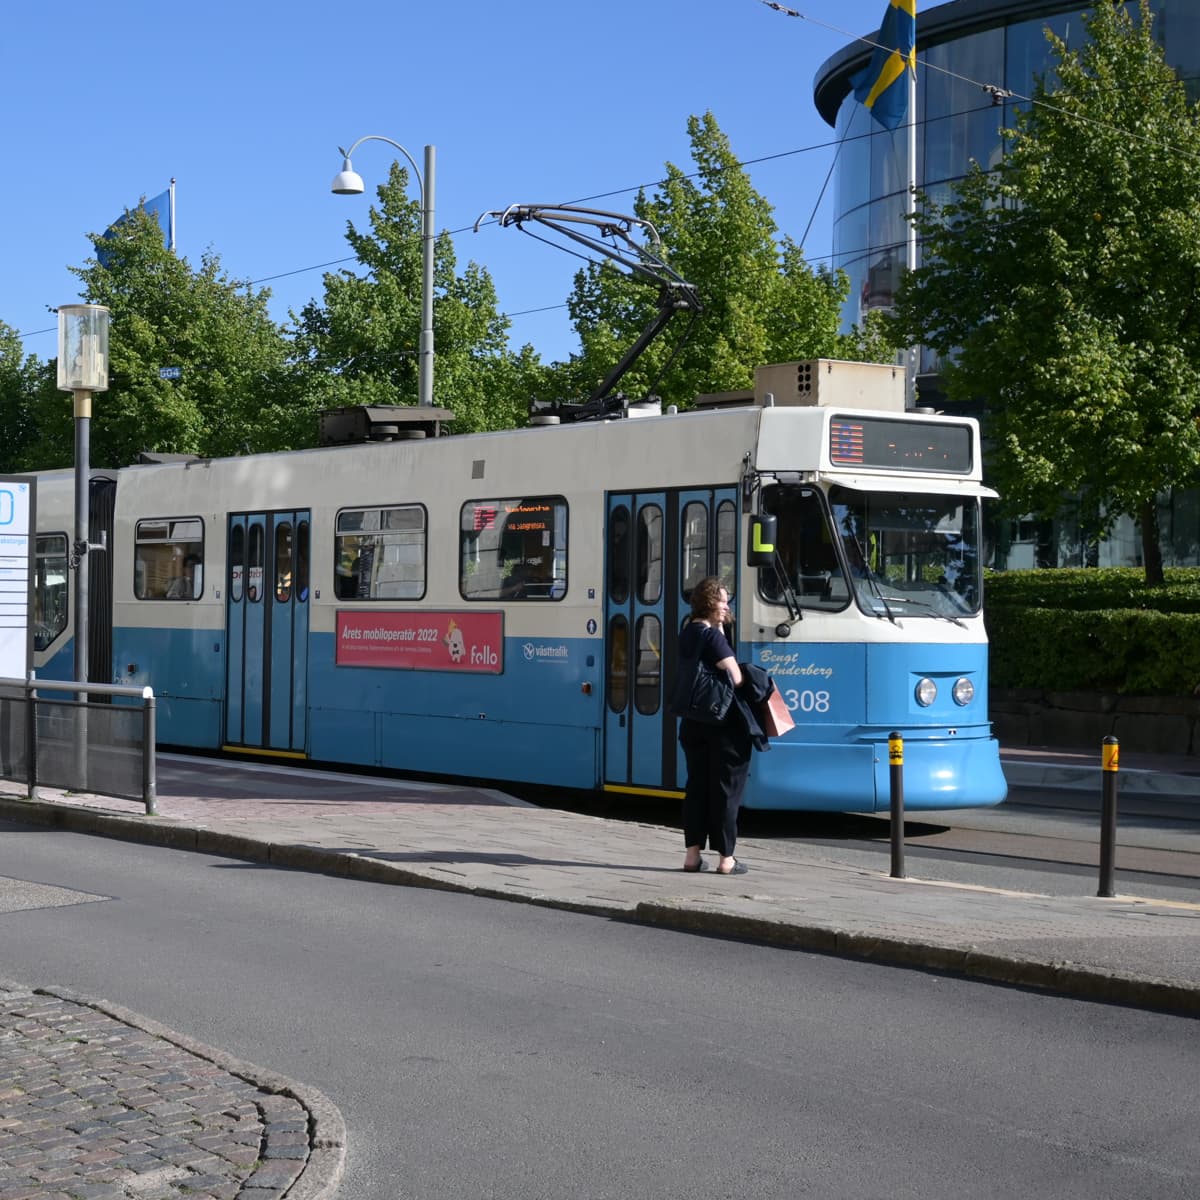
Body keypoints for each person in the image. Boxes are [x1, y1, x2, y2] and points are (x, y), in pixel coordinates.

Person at [677, 576, 753, 876]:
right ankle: (726, 859)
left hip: (693, 722)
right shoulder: (713, 637)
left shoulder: (687, 631)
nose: (726, 606)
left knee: (696, 787)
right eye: (722, 601)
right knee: (726, 789)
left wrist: (719, 628)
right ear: (710, 602)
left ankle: (692, 856)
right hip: (721, 724)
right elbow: (735, 677)